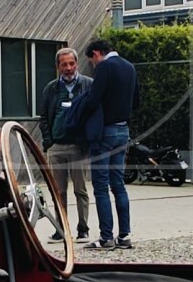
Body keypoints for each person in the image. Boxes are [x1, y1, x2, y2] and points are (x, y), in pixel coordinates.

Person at [78, 39, 136, 249]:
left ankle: (106, 237)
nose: (93, 65)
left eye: (91, 61)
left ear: (96, 53)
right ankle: (124, 236)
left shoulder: (104, 67)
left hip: (105, 132)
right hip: (123, 131)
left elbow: (93, 100)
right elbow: (136, 100)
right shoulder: (130, 67)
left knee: (101, 186)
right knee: (118, 185)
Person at [39, 47, 92, 242]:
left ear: (76, 64)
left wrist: (87, 141)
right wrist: (49, 142)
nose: (68, 68)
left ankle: (83, 229)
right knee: (58, 192)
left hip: (79, 148)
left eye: (71, 63)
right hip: (57, 148)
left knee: (80, 190)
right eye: (64, 64)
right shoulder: (51, 88)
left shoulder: (88, 85)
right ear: (58, 67)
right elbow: (43, 117)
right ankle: (61, 230)